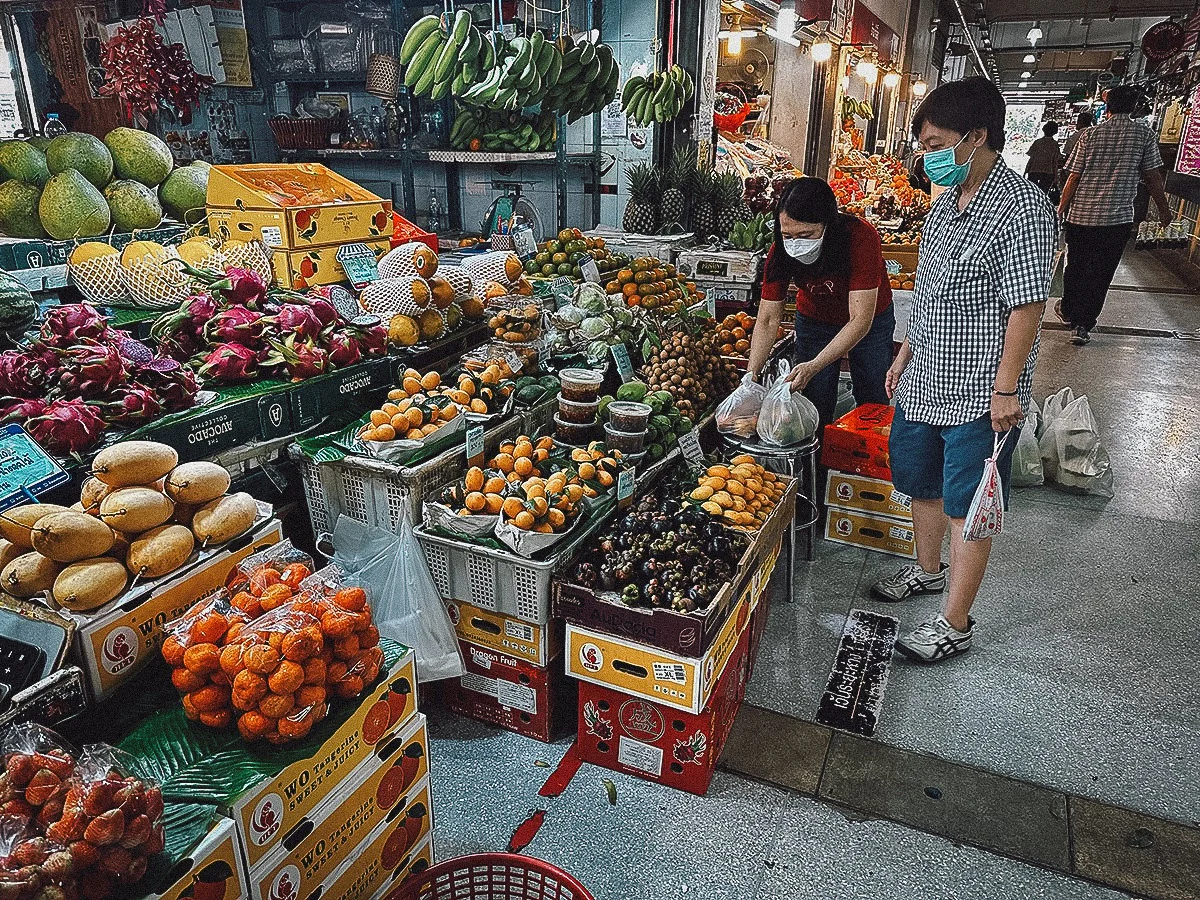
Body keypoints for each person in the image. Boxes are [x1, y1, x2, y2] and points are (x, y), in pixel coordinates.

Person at [872, 76, 1057, 664]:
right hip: (925, 379)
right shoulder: (946, 203)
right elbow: (927, 290)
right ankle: (928, 572)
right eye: (922, 144)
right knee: (919, 482)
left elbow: (1027, 305)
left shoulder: (1022, 209)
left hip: (979, 394)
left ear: (976, 138)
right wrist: (903, 351)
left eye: (934, 143)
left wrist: (1007, 390)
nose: (925, 156)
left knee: (967, 504)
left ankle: (954, 622)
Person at [745, 176, 894, 429]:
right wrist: (751, 375)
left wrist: (814, 365)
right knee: (814, 400)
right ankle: (818, 464)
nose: (796, 243)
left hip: (870, 322)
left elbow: (860, 319)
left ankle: (866, 462)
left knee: (872, 395)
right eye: (787, 235)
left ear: (828, 223)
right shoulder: (780, 250)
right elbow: (768, 318)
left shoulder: (860, 238)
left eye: (806, 234)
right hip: (815, 320)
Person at [1057, 85, 1173, 345]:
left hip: (1082, 216)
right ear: (1133, 108)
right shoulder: (1144, 135)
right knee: (1101, 271)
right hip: (1116, 220)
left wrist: (1061, 208)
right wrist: (1164, 211)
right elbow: (1153, 176)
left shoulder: (1090, 135)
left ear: (1107, 106)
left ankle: (1070, 311)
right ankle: (1083, 325)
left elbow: (1074, 176)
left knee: (1076, 266)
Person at [1024, 121, 1062, 193]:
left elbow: (1031, 159)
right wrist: (1056, 177)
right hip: (1048, 172)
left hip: (1034, 171)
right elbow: (1054, 162)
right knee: (1043, 194)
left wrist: (1026, 171)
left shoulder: (1037, 142)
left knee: (1032, 192)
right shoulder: (1054, 145)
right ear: (1055, 132)